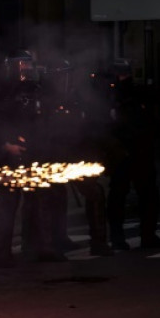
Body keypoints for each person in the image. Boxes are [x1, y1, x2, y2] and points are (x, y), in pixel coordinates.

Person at [39, 60, 113, 256]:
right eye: (61, 74)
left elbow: (88, 126)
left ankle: (98, 242)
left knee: (94, 192)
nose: (64, 78)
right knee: (52, 197)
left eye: (66, 74)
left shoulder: (78, 97)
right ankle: (51, 246)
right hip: (54, 154)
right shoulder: (44, 98)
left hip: (76, 153)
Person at [0, 50, 41, 267]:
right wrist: (7, 145)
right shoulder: (1, 93)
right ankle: (0, 253)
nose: (28, 68)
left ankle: (30, 248)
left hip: (28, 154)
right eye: (24, 64)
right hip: (7, 156)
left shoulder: (33, 90)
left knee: (31, 204)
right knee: (5, 207)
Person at [105, 59, 160, 250]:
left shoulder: (113, 95)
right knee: (144, 194)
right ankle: (145, 235)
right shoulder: (133, 93)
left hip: (125, 150)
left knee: (121, 195)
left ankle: (120, 238)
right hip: (133, 150)